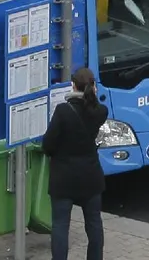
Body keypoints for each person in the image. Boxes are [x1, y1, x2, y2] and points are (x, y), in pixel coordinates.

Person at [41, 67, 108, 260]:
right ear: (93, 87)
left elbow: (48, 144)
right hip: (90, 176)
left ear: (73, 85)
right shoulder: (100, 112)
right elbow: (94, 107)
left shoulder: (63, 111)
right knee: (94, 223)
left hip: (64, 178)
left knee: (60, 225)